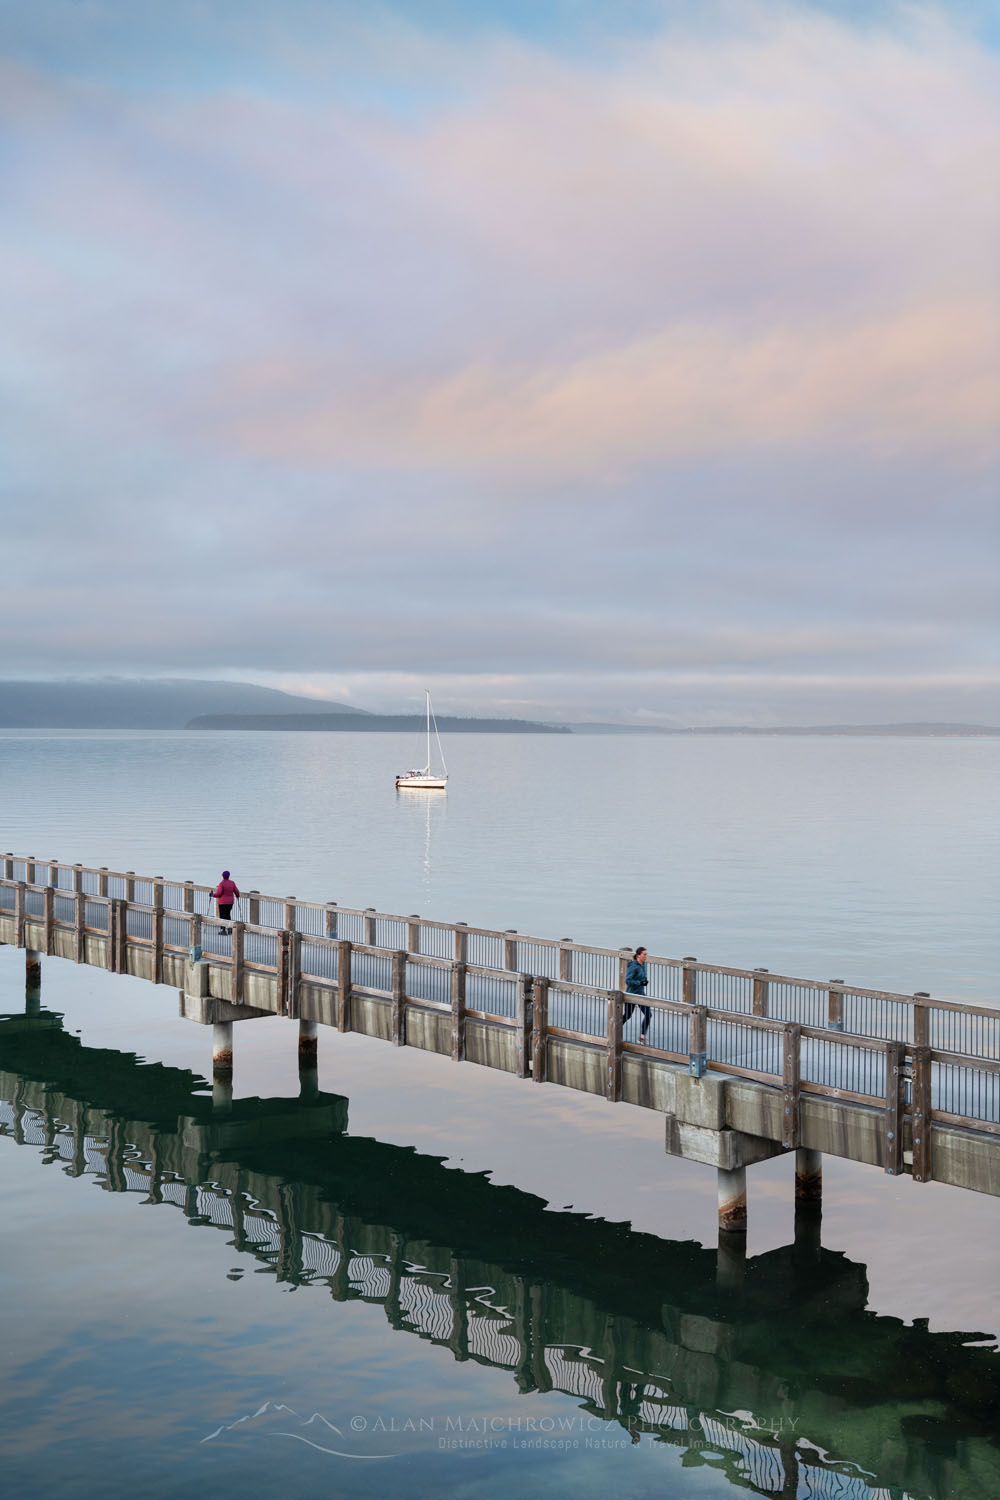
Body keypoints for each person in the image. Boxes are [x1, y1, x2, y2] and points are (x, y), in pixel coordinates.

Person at [623, 945, 651, 1042]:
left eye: (646, 954)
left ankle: (642, 1037)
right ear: (638, 955)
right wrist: (639, 983)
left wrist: (644, 981)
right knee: (627, 1016)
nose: (646, 956)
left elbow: (641, 977)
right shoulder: (633, 967)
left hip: (641, 995)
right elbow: (628, 980)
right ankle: (614, 1029)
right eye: (644, 954)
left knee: (648, 1014)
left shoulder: (643, 964)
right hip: (631, 995)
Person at [210, 869, 240, 934]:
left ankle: (223, 930)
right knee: (227, 914)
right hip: (230, 903)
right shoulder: (232, 883)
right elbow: (237, 892)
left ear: (223, 876)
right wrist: (237, 895)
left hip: (222, 902)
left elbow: (219, 894)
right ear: (229, 876)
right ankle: (229, 929)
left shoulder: (221, 884)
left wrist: (212, 895)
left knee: (222, 916)